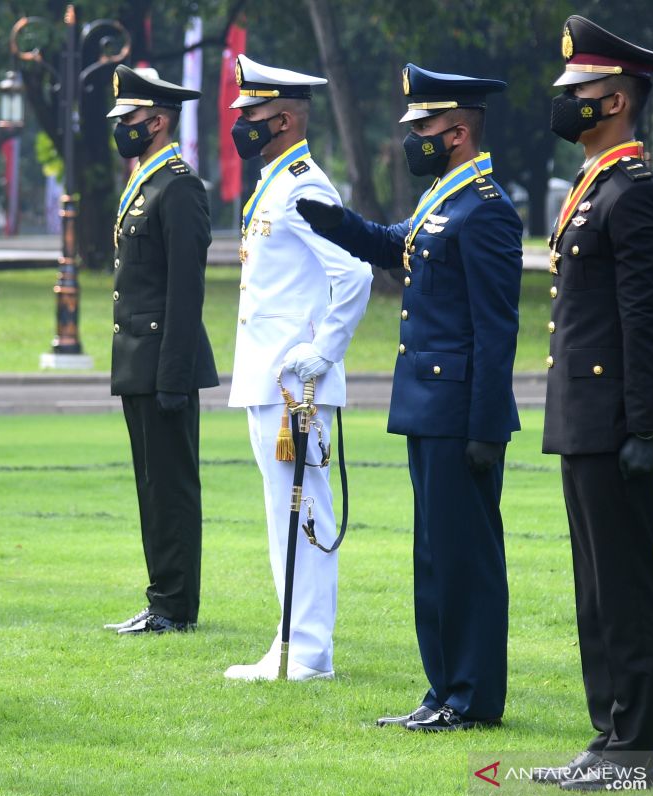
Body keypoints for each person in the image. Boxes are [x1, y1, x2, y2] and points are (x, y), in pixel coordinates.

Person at [298, 65, 522, 731]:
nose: (411, 138)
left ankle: (473, 697)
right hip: (429, 410)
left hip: (460, 416)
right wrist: (334, 222)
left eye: (421, 127)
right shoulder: (443, 201)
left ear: (456, 132)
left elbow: (495, 329)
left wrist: (486, 426)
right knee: (434, 557)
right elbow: (396, 245)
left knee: (465, 560)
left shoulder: (484, 210)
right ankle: (443, 688)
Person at [528, 16, 653, 791]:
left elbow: (639, 322)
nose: (565, 103)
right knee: (595, 590)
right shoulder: (597, 189)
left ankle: (636, 753)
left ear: (615, 100)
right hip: (583, 419)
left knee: (627, 587)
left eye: (577, 91)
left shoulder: (634, 195)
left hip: (617, 421)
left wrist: (646, 428)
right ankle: (608, 737)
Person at [223, 55, 372, 681]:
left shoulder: (304, 186)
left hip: (295, 384)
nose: (241, 125)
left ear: (282, 119)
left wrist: (324, 351)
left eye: (251, 115)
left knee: (304, 513)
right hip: (271, 380)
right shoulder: (277, 183)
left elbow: (356, 272)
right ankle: (291, 639)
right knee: (282, 512)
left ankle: (307, 652)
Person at [102, 65, 218, 636]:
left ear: (158, 120)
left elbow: (184, 291)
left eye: (130, 119)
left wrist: (174, 376)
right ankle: (160, 598)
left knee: (170, 488)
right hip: (138, 362)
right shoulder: (146, 181)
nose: (123, 128)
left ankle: (176, 605)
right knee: (150, 487)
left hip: (163, 363)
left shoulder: (178, 187)